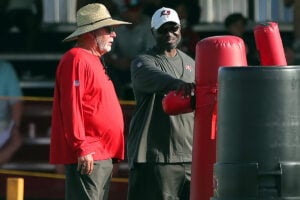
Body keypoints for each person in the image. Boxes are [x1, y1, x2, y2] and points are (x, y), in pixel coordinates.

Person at [49, 3, 130, 200]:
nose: (114, 35)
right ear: (92, 32)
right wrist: (82, 147)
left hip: (100, 153)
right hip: (91, 153)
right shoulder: (76, 58)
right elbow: (72, 106)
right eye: (109, 29)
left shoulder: (92, 60)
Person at [127, 7, 195, 200]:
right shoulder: (142, 62)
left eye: (173, 28)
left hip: (190, 156)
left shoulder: (192, 63)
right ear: (153, 32)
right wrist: (178, 84)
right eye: (162, 29)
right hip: (157, 157)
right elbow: (154, 77)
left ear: (180, 29)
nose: (169, 34)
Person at [105, 1, 155, 99]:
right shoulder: (114, 23)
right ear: (123, 11)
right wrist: (115, 62)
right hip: (119, 68)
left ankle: (145, 103)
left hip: (142, 67)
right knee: (106, 71)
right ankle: (114, 102)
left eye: (138, 9)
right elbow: (105, 53)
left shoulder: (149, 23)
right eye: (131, 10)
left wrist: (132, 63)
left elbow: (151, 53)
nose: (136, 13)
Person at [0, 60, 23, 165]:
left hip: (2, 125)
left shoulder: (5, 70)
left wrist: (15, 128)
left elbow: (16, 102)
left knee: (15, 141)